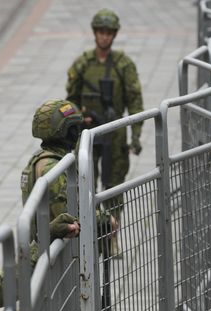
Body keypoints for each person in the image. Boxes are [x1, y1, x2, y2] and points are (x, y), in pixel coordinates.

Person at [66, 8, 144, 256]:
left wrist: (135, 136)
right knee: (84, 184)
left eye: (109, 33)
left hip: (114, 133)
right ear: (94, 33)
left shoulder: (123, 65)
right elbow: (70, 100)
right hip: (88, 134)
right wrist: (77, 122)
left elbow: (135, 101)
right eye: (101, 32)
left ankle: (111, 236)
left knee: (113, 188)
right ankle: (87, 234)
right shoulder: (83, 64)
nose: (105, 37)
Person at [21, 98, 83, 262]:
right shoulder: (52, 167)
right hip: (53, 258)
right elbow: (68, 214)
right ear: (63, 131)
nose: (77, 134)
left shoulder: (40, 159)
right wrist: (104, 218)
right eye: (73, 128)